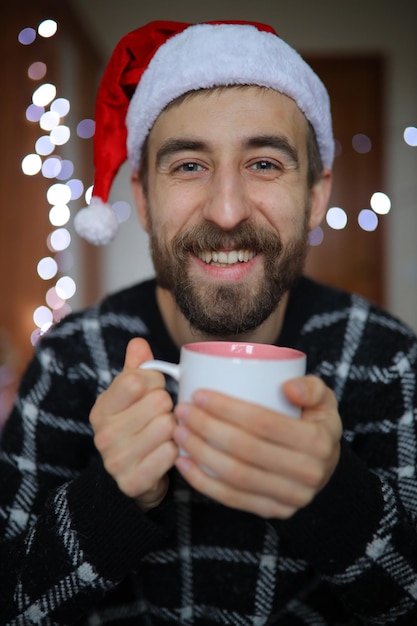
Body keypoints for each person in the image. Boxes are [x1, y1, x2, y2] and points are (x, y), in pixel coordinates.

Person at [1, 19, 417, 626]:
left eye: (266, 164)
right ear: (142, 198)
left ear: (316, 195)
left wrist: (337, 499)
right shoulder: (71, 358)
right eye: (189, 165)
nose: (226, 211)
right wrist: (108, 501)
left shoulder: (387, 357)